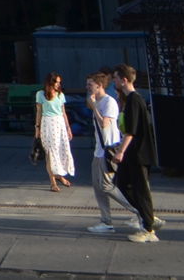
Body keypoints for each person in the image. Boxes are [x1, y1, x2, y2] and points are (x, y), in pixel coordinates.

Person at [82, 71, 140, 234]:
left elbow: (105, 124)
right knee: (98, 187)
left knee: (107, 186)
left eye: (90, 84)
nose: (87, 87)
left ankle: (140, 211)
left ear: (99, 85)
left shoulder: (109, 102)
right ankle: (106, 221)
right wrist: (93, 104)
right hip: (98, 151)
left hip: (108, 150)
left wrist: (94, 106)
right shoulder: (96, 101)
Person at [111, 64, 160, 243]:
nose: (114, 81)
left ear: (124, 80)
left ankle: (148, 228)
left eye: (116, 78)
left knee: (140, 190)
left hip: (138, 153)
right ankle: (148, 217)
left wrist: (120, 151)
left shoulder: (134, 100)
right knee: (121, 184)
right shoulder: (130, 99)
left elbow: (131, 131)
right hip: (132, 153)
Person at [35, 72, 74, 192]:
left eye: (59, 82)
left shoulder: (60, 95)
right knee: (50, 153)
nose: (58, 84)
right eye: (56, 82)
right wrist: (37, 128)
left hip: (59, 123)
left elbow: (63, 112)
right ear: (50, 82)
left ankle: (59, 175)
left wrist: (68, 128)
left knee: (61, 150)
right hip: (47, 123)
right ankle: (52, 182)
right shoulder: (40, 94)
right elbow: (39, 112)